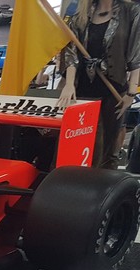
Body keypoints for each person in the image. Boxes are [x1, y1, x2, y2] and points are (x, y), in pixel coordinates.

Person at [58, 0, 140, 169]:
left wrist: (131, 93)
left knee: (107, 151)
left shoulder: (130, 11)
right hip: (82, 93)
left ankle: (105, 184)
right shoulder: (80, 12)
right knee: (78, 147)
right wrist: (69, 84)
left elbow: (136, 53)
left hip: (114, 93)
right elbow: (71, 51)